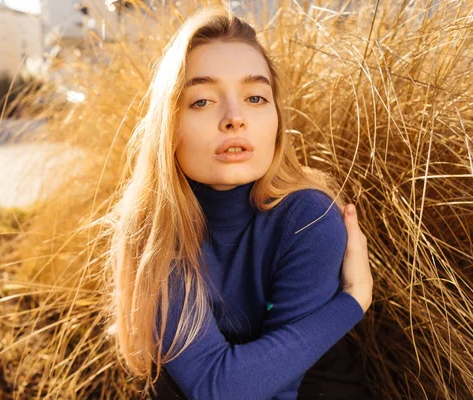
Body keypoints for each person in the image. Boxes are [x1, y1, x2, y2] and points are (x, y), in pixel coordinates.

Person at [107, 5, 374, 400]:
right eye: (201, 101)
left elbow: (246, 391)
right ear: (169, 126)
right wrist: (352, 301)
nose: (235, 118)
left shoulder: (307, 218)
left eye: (255, 97)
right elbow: (216, 387)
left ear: (277, 118)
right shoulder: (154, 227)